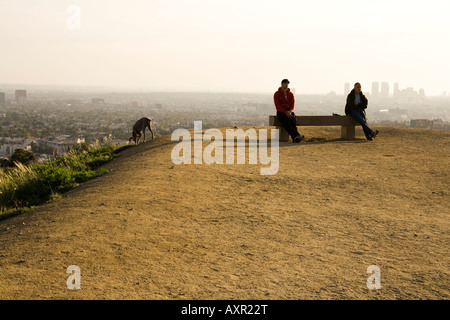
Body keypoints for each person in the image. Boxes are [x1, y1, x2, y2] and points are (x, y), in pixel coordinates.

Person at [274, 79, 304, 143]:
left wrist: (290, 111)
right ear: (282, 84)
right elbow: (278, 106)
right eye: (285, 83)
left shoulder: (291, 94)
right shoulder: (277, 94)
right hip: (281, 112)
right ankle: (296, 136)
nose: (286, 85)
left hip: (289, 111)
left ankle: (295, 138)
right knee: (286, 122)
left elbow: (292, 105)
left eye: (287, 83)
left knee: (293, 120)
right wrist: (285, 112)